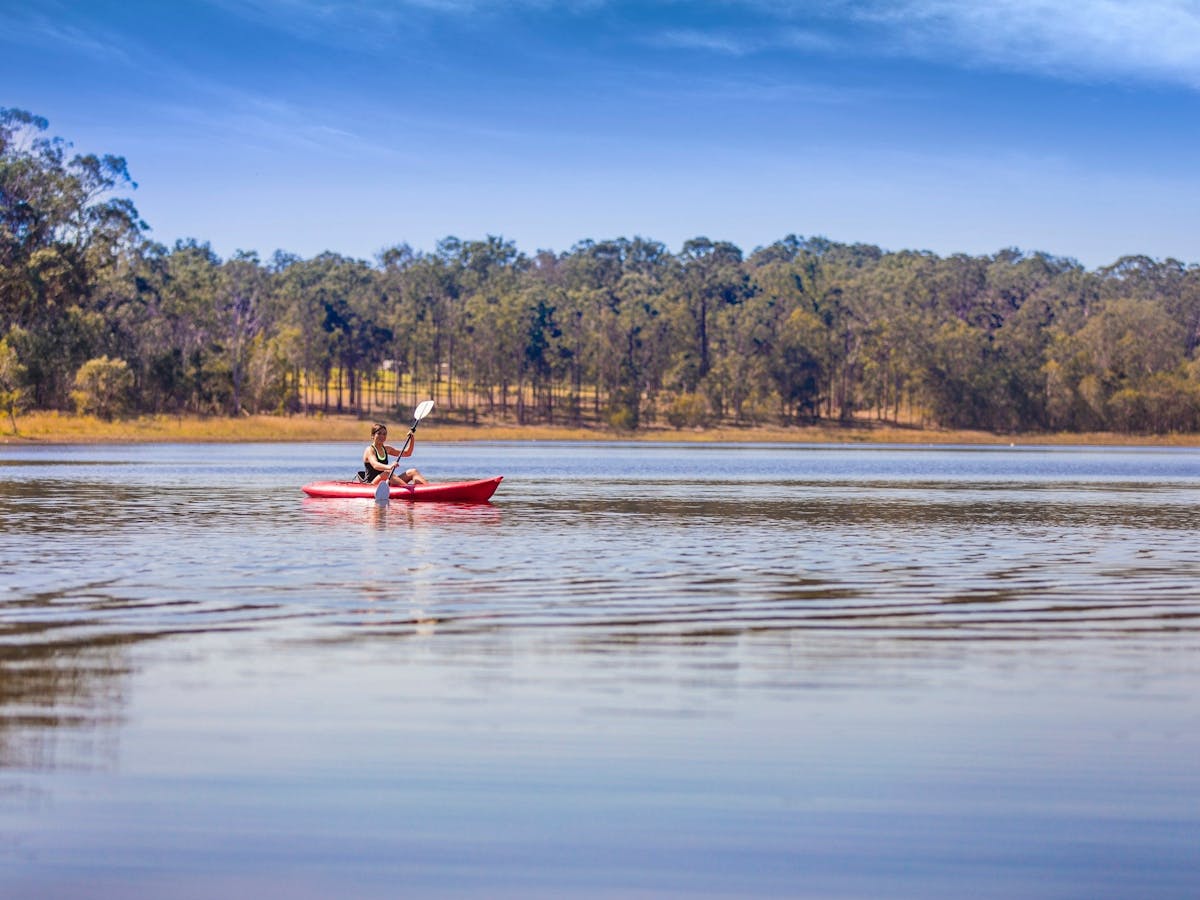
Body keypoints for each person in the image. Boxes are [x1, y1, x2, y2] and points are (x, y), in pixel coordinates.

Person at [362, 422, 428, 486]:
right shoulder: (369, 450)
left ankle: (428, 488)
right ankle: (409, 489)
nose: (382, 436)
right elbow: (375, 465)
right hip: (371, 483)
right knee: (386, 473)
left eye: (384, 434)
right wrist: (389, 466)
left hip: (385, 481)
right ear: (372, 436)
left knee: (413, 472)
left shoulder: (387, 449)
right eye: (379, 433)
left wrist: (412, 439)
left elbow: (407, 453)